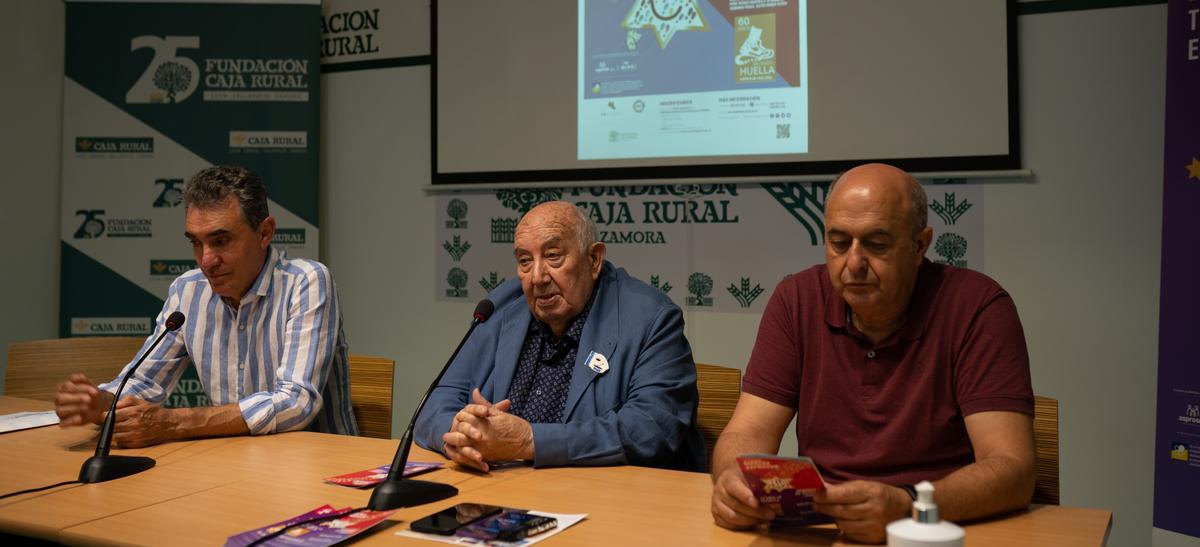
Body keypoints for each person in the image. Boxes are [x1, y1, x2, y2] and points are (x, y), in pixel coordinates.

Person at [710, 163, 1035, 543]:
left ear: (919, 245)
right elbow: (747, 431)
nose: (854, 264)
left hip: (934, 532)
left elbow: (1013, 468)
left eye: (877, 244)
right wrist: (735, 480)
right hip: (826, 529)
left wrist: (909, 506)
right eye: (839, 242)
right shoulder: (796, 300)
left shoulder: (977, 306)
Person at [54, 165, 357, 446]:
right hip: (229, 462)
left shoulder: (306, 282)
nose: (207, 261)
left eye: (221, 241)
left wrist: (175, 423)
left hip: (318, 468)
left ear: (265, 232)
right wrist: (102, 402)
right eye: (196, 243)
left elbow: (297, 402)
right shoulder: (188, 291)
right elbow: (144, 383)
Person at [414, 200, 706, 472]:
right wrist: (463, 434)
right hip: (506, 493)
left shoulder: (650, 318)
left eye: (553, 256)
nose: (537, 277)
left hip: (608, 502)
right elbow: (434, 405)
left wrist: (530, 441)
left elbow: (651, 430)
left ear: (594, 260)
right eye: (525, 261)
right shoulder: (500, 309)